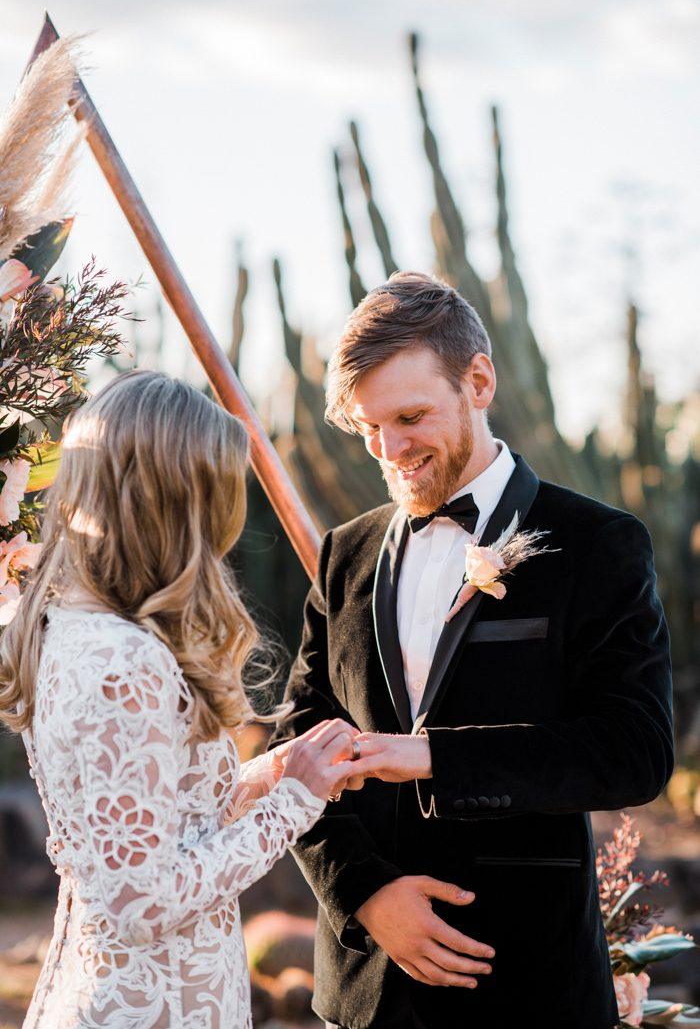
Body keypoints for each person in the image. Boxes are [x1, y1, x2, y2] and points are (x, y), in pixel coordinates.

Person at [271, 271, 674, 1029]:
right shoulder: (343, 554)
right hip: (364, 992)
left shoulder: (597, 544)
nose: (389, 450)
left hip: (526, 985)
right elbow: (297, 743)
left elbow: (636, 751)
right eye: (368, 428)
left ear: (479, 380)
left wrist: (435, 757)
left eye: (411, 415)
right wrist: (362, 893)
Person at [0, 370, 364, 1029]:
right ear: (176, 503)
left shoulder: (65, 627)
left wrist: (269, 773)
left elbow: (144, 823)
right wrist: (294, 803)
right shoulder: (124, 660)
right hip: (150, 1006)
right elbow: (143, 901)